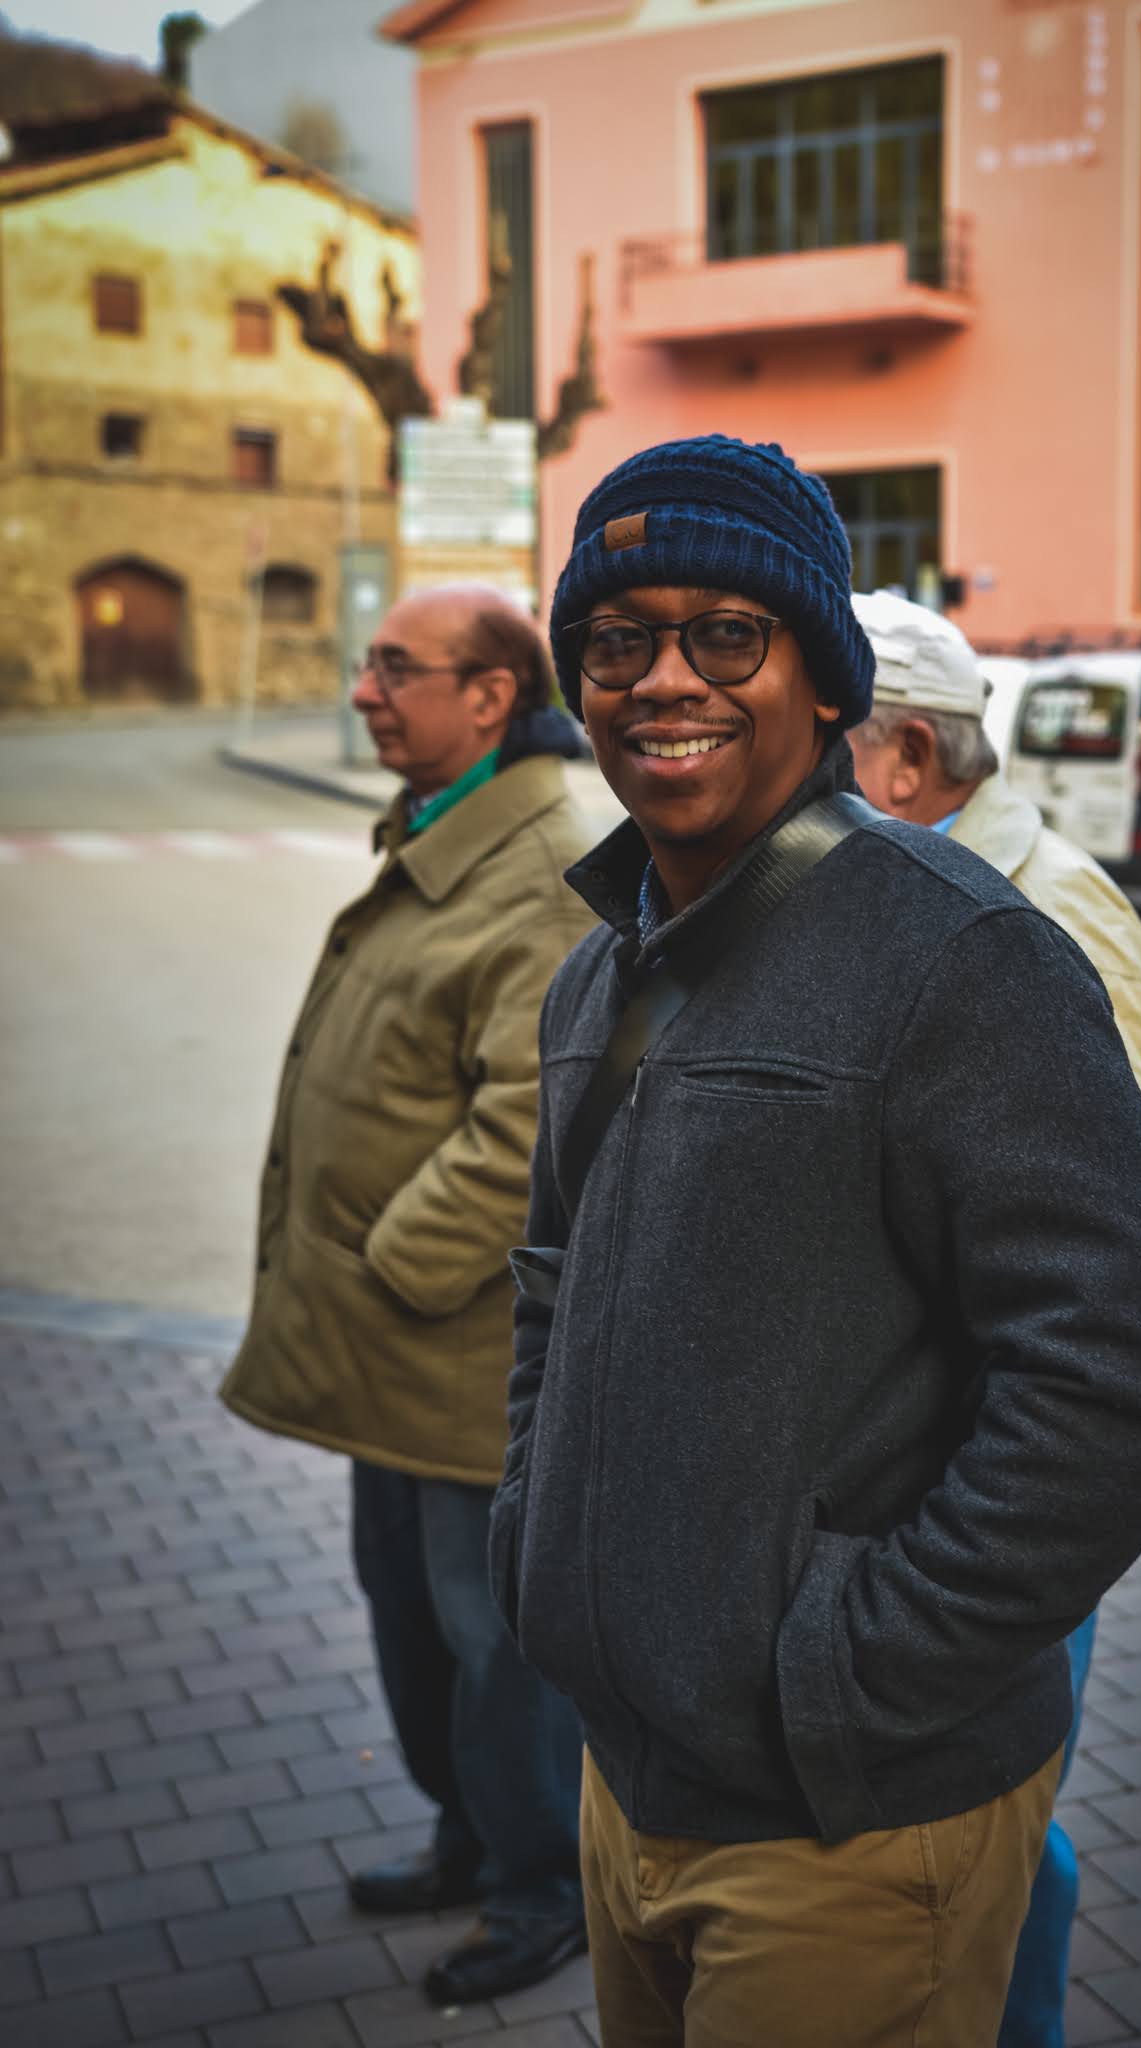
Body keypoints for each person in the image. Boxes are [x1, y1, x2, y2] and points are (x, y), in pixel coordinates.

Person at [488, 435, 1141, 2047]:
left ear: (823, 682)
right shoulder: (601, 971)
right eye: (616, 641)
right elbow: (549, 1288)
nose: (662, 679)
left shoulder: (961, 954)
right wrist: (539, 1547)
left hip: (849, 1821)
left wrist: (844, 1672)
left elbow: (1127, 1381)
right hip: (633, 1776)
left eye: (724, 635)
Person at [847, 587, 1141, 2048]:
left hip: (970, 1489)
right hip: (919, 1475)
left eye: (819, 741)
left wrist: (988, 1510)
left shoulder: (1039, 909)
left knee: (1000, 1824)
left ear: (902, 759)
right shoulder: (897, 884)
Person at [220, 583, 595, 2007]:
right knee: (410, 1617)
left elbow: (529, 1124)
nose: (364, 691)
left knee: (494, 1641)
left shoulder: (545, 862)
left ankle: (542, 1884)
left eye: (395, 667)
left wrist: (388, 1265)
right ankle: (467, 1835)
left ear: (492, 696)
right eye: (368, 665)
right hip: (394, 1353)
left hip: (459, 1354)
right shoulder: (445, 824)